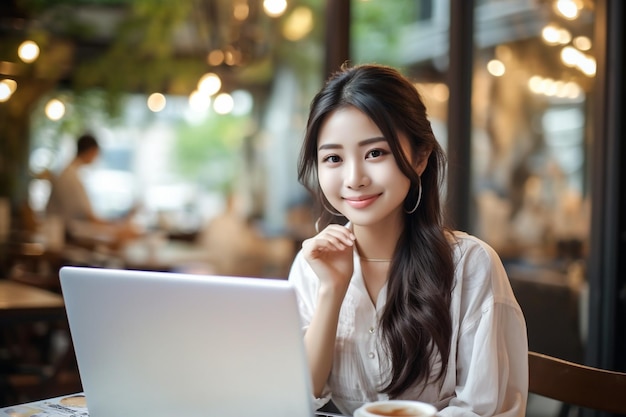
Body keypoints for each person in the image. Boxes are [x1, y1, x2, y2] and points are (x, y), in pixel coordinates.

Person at [288, 64, 528, 416]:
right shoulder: (313, 266)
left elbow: (485, 410)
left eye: (375, 153)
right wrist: (331, 291)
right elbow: (297, 398)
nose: (354, 179)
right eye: (333, 158)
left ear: (419, 157)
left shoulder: (470, 265)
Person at [46, 133, 136, 247]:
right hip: (67, 237)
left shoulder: (69, 173)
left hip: (67, 232)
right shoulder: (71, 177)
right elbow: (89, 217)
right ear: (92, 151)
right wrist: (116, 227)